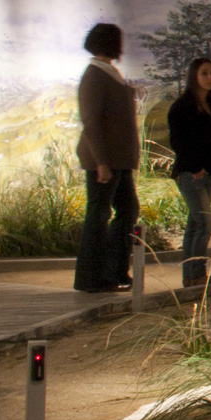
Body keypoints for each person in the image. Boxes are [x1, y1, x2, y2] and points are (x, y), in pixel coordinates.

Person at [74, 23, 139, 294]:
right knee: (98, 215)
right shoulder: (94, 76)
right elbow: (91, 121)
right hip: (105, 161)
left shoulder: (109, 73)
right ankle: (91, 278)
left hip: (118, 160)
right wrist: (101, 161)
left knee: (127, 210)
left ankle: (114, 271)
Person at [166, 57, 211, 289]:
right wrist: (194, 167)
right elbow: (178, 141)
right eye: (204, 73)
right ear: (194, 76)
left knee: (195, 225)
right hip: (191, 174)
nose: (210, 78)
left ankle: (192, 277)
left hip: (209, 173)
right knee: (205, 225)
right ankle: (195, 274)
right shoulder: (182, 107)